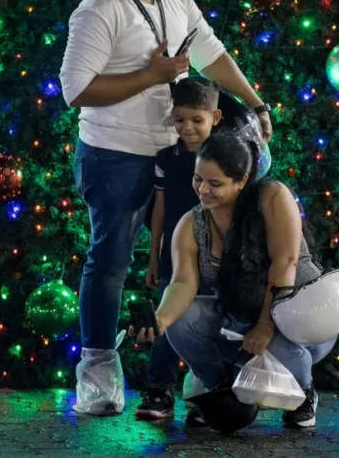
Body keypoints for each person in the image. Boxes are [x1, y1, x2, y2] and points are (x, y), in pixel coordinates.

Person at [59, 0, 273, 415]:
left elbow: (208, 50)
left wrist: (255, 103)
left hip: (179, 152)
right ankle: (98, 375)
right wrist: (150, 75)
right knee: (110, 260)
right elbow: (76, 90)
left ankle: (195, 373)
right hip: (115, 153)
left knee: (192, 263)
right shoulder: (96, 11)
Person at [133, 131, 339, 430]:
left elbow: (285, 262)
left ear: (242, 180)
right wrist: (161, 320)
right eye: (198, 179)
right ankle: (222, 389)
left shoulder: (272, 196)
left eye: (215, 183)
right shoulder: (191, 223)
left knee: (277, 349)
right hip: (243, 321)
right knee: (181, 322)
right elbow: (182, 283)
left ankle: (303, 393)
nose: (203, 190)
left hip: (303, 319)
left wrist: (266, 325)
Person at [137, 77, 222, 422]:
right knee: (166, 321)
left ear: (215, 118)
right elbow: (158, 209)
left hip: (215, 259)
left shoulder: (225, 158)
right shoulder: (166, 159)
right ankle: (159, 389)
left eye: (197, 120)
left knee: (211, 324)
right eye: (179, 119)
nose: (187, 128)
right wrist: (153, 256)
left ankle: (210, 394)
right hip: (173, 257)